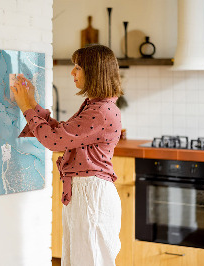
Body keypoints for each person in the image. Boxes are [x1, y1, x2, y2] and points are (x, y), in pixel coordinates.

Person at [10, 44, 123, 266]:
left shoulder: (100, 111)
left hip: (91, 195)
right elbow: (62, 134)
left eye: (78, 67)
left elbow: (54, 141)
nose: (72, 72)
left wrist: (26, 108)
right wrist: (32, 103)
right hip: (85, 193)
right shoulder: (96, 106)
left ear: (94, 72)